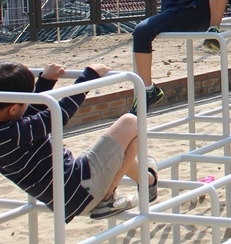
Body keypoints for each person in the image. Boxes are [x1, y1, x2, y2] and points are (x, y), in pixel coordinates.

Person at [0, 62, 158, 221]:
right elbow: (59, 114)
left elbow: (29, 114)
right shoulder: (13, 133)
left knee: (121, 147)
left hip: (67, 199)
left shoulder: (8, 131)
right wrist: (89, 76)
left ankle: (148, 180)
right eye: (26, 99)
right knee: (131, 122)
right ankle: (108, 198)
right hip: (80, 187)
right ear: (13, 109)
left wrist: (46, 81)